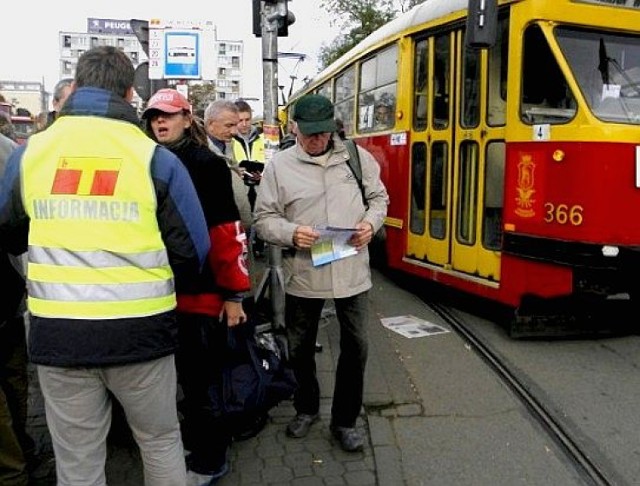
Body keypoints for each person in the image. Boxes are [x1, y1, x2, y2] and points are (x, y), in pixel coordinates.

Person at [0, 46, 210, 485]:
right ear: (131, 93)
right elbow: (194, 250)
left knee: (77, 460)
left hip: (59, 334)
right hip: (142, 333)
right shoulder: (155, 157)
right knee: (160, 440)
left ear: (75, 87)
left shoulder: (29, 154)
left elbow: (7, 233)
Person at [254, 94, 389, 452]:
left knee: (356, 348)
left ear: (333, 127)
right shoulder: (279, 166)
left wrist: (369, 224)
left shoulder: (357, 158)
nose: (317, 140)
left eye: (323, 133)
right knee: (299, 349)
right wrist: (290, 233)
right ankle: (306, 407)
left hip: (351, 271)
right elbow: (263, 220)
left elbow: (379, 199)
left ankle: (344, 422)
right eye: (310, 133)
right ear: (295, 128)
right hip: (304, 272)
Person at [141, 88, 251, 485]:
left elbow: (228, 231)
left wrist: (234, 295)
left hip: (201, 294)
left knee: (202, 381)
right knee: (183, 380)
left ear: (189, 119)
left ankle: (210, 459)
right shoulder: (147, 159)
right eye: (154, 116)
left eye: (168, 115)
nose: (160, 122)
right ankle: (196, 444)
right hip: (162, 293)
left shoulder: (206, 163)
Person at [0, 131, 32, 486]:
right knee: (14, 374)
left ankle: (13, 470)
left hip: (8, 288)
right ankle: (21, 450)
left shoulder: (19, 151)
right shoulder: (11, 150)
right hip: (9, 284)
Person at [203, 100, 252, 231]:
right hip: (220, 234)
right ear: (210, 124)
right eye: (229, 125)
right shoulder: (202, 156)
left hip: (237, 232)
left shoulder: (227, 145)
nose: (235, 131)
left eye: (235, 125)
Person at [233, 99, 266, 256]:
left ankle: (258, 246)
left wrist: (262, 173)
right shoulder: (231, 140)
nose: (244, 124)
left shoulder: (262, 138)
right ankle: (244, 248)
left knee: (260, 217)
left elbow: (269, 160)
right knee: (243, 220)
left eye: (247, 119)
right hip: (241, 187)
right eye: (240, 120)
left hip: (259, 186)